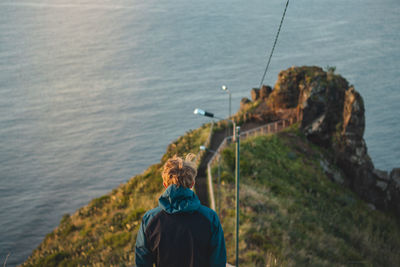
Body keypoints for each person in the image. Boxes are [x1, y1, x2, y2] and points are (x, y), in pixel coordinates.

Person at [135, 154, 227, 267]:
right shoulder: (210, 218)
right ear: (192, 184)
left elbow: (142, 263)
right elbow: (218, 262)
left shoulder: (149, 220)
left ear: (165, 185)